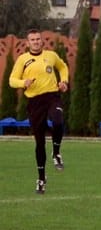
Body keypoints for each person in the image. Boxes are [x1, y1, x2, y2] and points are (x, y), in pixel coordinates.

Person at [9, 28, 69, 194]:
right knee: (40, 142)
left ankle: (56, 153)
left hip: (52, 96)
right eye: (33, 40)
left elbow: (63, 67)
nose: (36, 42)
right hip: (35, 102)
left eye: (38, 39)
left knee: (58, 120)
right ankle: (41, 179)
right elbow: (12, 80)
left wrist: (64, 81)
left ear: (41, 41)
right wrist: (23, 83)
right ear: (27, 43)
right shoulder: (23, 60)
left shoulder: (51, 56)